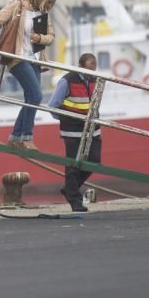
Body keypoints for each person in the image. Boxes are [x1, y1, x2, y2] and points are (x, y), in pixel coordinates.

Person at [0, 0, 58, 149]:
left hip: (35, 59)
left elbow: (51, 37)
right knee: (36, 96)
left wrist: (40, 38)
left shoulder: (43, 13)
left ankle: (15, 137)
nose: (50, 6)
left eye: (52, 4)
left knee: (31, 98)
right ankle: (26, 137)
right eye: (50, 2)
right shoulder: (17, 6)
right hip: (17, 57)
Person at [50, 53, 101, 212]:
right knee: (73, 166)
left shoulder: (95, 80)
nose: (92, 70)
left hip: (93, 130)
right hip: (72, 132)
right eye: (90, 66)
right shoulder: (67, 81)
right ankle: (75, 201)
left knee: (94, 161)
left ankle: (70, 189)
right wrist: (67, 120)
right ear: (80, 66)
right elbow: (53, 106)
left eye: (94, 66)